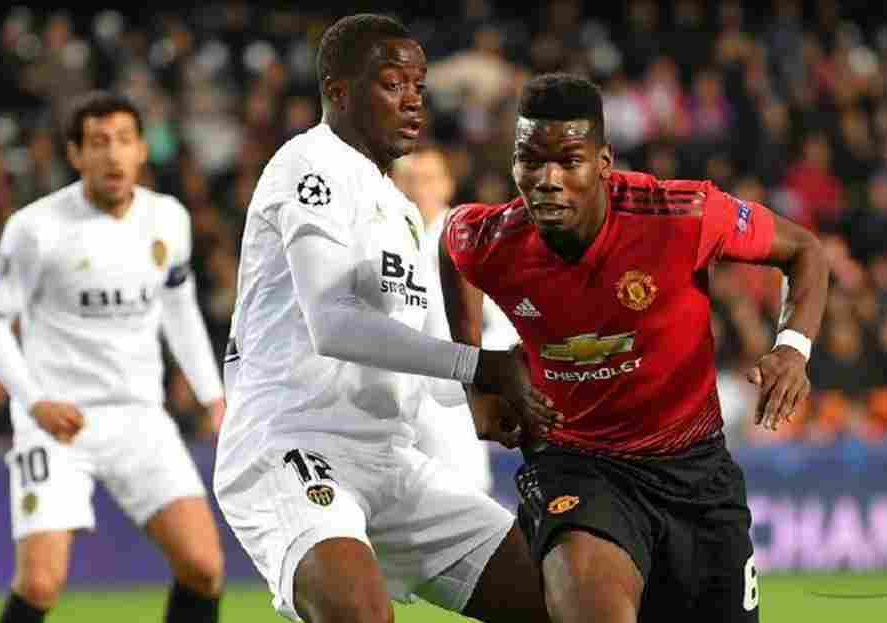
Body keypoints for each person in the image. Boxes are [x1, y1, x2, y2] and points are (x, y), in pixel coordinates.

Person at [439, 73, 829, 623]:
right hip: (576, 464)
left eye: (568, 161)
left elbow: (805, 249)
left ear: (603, 162)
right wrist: (477, 379)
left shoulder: (681, 214)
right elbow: (451, 246)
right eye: (530, 160)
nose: (547, 179)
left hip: (694, 471)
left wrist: (792, 347)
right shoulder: (493, 239)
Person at [213, 14, 552, 623]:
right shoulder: (310, 164)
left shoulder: (399, 210)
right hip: (293, 443)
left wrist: (485, 396)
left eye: (418, 85)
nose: (414, 99)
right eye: (394, 84)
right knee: (359, 614)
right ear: (338, 91)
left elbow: (422, 365)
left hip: (389, 459)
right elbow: (334, 323)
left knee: (562, 598)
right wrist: (477, 366)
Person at [0, 91, 227, 623]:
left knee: (204, 568)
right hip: (57, 421)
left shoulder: (168, 219)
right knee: (40, 584)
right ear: (75, 154)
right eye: (98, 142)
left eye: (124, 140)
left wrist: (212, 396)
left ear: (142, 150)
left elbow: (179, 310)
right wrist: (36, 402)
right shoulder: (36, 228)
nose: (113, 155)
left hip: (139, 418)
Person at [392, 147, 519, 493]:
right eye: (409, 180)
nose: (418, 189)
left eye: (428, 179)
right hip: (398, 394)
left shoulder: (468, 239)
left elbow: (506, 323)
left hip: (452, 394)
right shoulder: (388, 240)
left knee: (464, 494)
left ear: (447, 184)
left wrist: (470, 369)